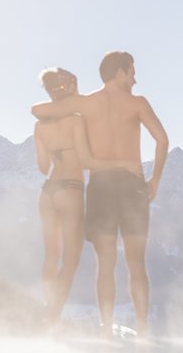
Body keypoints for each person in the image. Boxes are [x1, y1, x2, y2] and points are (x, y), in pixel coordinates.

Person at [31, 51, 169, 336]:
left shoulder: (86, 104)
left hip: (100, 186)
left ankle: (106, 328)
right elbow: (162, 140)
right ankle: (142, 328)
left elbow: (38, 111)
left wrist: (62, 100)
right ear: (119, 72)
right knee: (136, 262)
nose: (135, 79)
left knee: (105, 264)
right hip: (132, 185)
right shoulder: (137, 103)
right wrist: (154, 180)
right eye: (132, 72)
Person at [33, 68, 91, 327]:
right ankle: (54, 316)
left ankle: (49, 310)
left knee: (51, 256)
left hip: (48, 190)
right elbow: (86, 160)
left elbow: (43, 167)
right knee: (71, 258)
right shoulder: (77, 121)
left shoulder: (39, 126)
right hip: (71, 188)